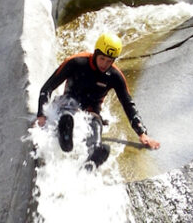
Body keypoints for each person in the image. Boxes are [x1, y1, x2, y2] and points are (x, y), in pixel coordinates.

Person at [36, 33, 160, 168]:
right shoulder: (77, 62)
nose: (104, 64)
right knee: (67, 113)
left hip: (90, 110)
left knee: (96, 122)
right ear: (95, 53)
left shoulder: (115, 76)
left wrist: (142, 133)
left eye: (109, 61)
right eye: (102, 58)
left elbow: (128, 104)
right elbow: (47, 88)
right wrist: (41, 115)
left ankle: (92, 156)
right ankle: (65, 137)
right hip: (68, 103)